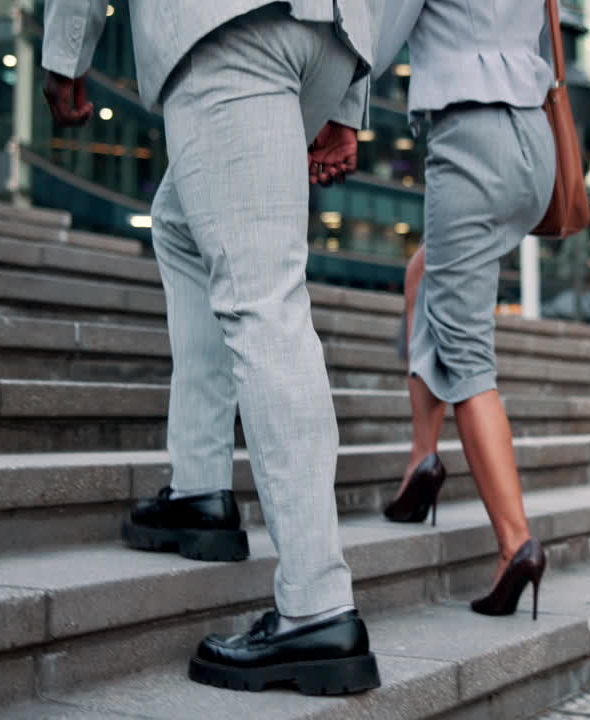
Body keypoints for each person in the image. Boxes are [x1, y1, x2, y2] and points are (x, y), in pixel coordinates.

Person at [42, 0, 383, 696]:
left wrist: (65, 50)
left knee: (264, 305)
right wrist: (350, 89)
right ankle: (200, 489)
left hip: (229, 26)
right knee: (179, 224)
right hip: (326, 31)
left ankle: (317, 606)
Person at [346, 0, 556, 621]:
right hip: (535, 144)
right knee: (426, 274)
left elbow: (377, 44)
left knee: (467, 358)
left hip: (471, 137)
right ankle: (422, 459)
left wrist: (332, 114)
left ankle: (514, 542)